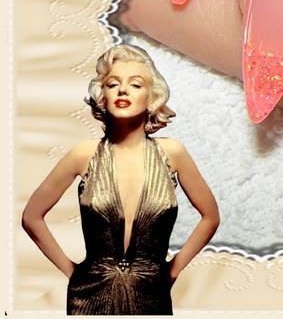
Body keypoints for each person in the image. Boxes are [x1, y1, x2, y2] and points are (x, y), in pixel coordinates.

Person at [21, 44, 220, 315]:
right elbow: (31, 216)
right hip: (89, 298)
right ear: (102, 97)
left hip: (152, 294)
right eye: (113, 84)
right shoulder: (83, 154)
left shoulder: (173, 153)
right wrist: (73, 273)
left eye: (135, 84)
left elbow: (210, 217)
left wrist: (172, 271)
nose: (123, 90)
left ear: (152, 98)